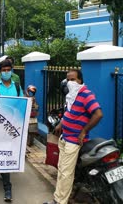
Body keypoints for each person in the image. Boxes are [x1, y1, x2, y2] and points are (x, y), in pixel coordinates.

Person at [44, 69, 103, 204]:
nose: (70, 82)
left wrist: (83, 132)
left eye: (73, 80)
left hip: (74, 140)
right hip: (65, 137)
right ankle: (57, 197)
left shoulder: (86, 95)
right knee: (62, 170)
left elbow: (98, 114)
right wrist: (61, 124)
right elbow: (69, 112)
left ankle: (60, 201)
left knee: (66, 173)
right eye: (68, 80)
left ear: (80, 80)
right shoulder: (72, 95)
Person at [0, 60, 24, 202]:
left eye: (9, 69)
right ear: (0, 71)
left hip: (13, 126)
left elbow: (22, 103)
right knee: (3, 154)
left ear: (12, 70)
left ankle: (4, 177)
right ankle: (7, 188)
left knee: (8, 154)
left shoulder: (16, 86)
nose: (6, 72)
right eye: (4, 70)